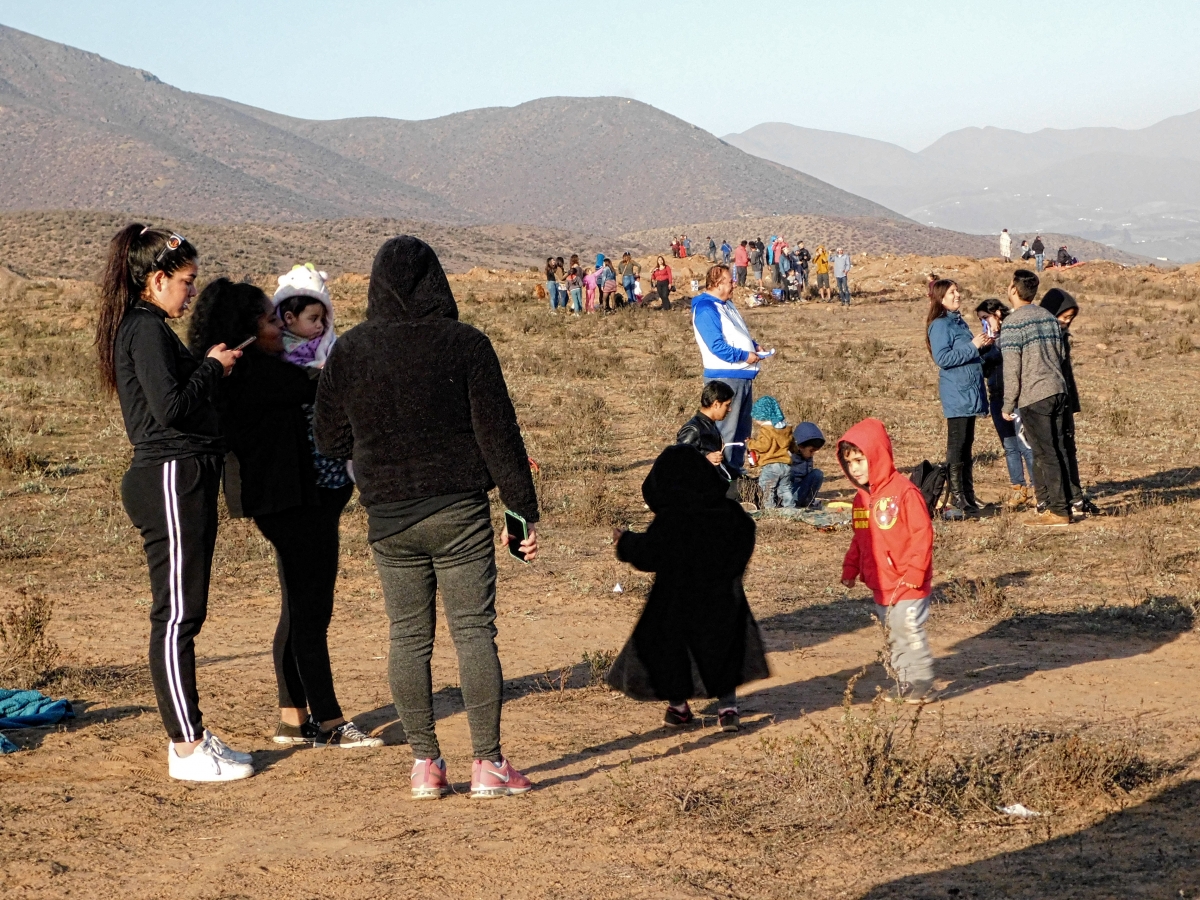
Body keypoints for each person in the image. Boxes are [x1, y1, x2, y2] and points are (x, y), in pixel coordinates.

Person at [314, 235, 539, 800]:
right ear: (436, 280)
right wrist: (520, 515)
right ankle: (488, 765)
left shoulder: (351, 351)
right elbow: (500, 437)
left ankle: (425, 765)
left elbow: (328, 437)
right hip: (459, 511)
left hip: (389, 517)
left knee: (409, 637)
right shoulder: (466, 344)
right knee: (473, 632)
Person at [188, 279, 378, 750]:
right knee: (312, 611)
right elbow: (317, 382)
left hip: (286, 502)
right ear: (246, 330)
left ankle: (293, 719)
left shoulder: (245, 372)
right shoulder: (258, 374)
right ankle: (331, 722)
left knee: (298, 609)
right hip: (292, 503)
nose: (280, 327)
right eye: (271, 320)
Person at [96, 224, 252, 781]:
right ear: (157, 278)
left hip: (182, 475)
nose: (190, 292)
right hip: (169, 477)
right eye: (185, 281)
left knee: (188, 609)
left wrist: (210, 363)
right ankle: (185, 747)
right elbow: (169, 409)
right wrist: (212, 367)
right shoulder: (144, 331)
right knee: (176, 615)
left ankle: (193, 734)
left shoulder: (151, 328)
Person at [606, 445, 770, 733]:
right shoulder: (729, 512)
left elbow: (650, 554)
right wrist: (729, 573)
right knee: (724, 649)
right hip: (724, 599)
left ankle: (679, 708)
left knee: (671, 653)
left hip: (675, 602)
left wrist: (626, 543)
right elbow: (745, 533)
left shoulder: (673, 519)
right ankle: (728, 709)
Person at [838, 419, 936, 703]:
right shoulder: (860, 500)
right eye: (850, 462)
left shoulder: (905, 492)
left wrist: (916, 572)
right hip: (881, 583)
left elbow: (922, 534)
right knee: (894, 633)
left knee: (908, 628)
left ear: (877, 455)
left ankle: (921, 681)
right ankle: (906, 682)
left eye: (860, 459)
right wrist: (851, 569)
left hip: (908, 582)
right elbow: (860, 538)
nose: (855, 468)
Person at [1000, 269, 1071, 527]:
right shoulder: (1048, 318)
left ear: (1014, 290)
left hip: (1034, 396)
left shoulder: (1012, 323)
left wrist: (1008, 404)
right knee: (1057, 449)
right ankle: (1059, 503)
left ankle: (1059, 510)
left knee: (1044, 452)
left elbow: (1012, 368)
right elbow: (1060, 354)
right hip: (1058, 390)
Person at [691, 265, 771, 473]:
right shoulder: (706, 308)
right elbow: (716, 345)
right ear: (717, 284)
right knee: (726, 432)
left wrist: (753, 345)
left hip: (742, 376)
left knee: (741, 432)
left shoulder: (727, 305)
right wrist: (745, 355)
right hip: (726, 377)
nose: (733, 284)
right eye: (729, 281)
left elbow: (735, 333)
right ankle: (722, 478)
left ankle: (736, 475)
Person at [927, 279, 991, 518]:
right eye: (952, 292)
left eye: (958, 291)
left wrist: (983, 345)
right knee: (957, 445)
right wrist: (973, 346)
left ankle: (968, 494)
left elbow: (964, 352)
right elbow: (943, 358)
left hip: (969, 390)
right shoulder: (940, 325)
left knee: (966, 444)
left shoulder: (958, 322)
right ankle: (957, 498)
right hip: (957, 392)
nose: (958, 295)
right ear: (941, 298)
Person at [1039, 288, 1100, 517]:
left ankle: (1073, 495)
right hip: (1047, 399)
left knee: (1067, 447)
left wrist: (1073, 403)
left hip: (1064, 399)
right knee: (1052, 449)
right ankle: (1055, 497)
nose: (1067, 322)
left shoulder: (1063, 337)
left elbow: (1067, 375)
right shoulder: (1044, 339)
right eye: (1064, 317)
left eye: (1070, 318)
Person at [975, 299, 1036, 510]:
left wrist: (992, 346)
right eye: (981, 320)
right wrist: (982, 350)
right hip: (996, 395)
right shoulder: (989, 340)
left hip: (1017, 396)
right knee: (1009, 445)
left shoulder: (1011, 331)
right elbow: (983, 369)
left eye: (985, 318)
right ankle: (1018, 489)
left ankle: (1038, 488)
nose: (984, 323)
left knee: (1025, 444)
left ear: (997, 313)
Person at [745, 396, 795, 509]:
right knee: (785, 488)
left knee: (767, 488)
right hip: (786, 465)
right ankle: (790, 508)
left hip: (771, 465)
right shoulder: (785, 429)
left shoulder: (766, 430)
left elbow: (763, 446)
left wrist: (750, 443)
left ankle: (769, 509)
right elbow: (793, 445)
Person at [676, 381, 734, 468]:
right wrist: (705, 457)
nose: (729, 409)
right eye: (727, 405)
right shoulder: (693, 429)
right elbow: (679, 458)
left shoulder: (710, 424)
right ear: (716, 404)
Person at [789, 422, 825, 508]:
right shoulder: (788, 457)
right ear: (800, 446)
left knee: (817, 474)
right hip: (789, 496)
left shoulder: (807, 456)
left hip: (801, 492)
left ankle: (807, 503)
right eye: (811, 451)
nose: (812, 454)